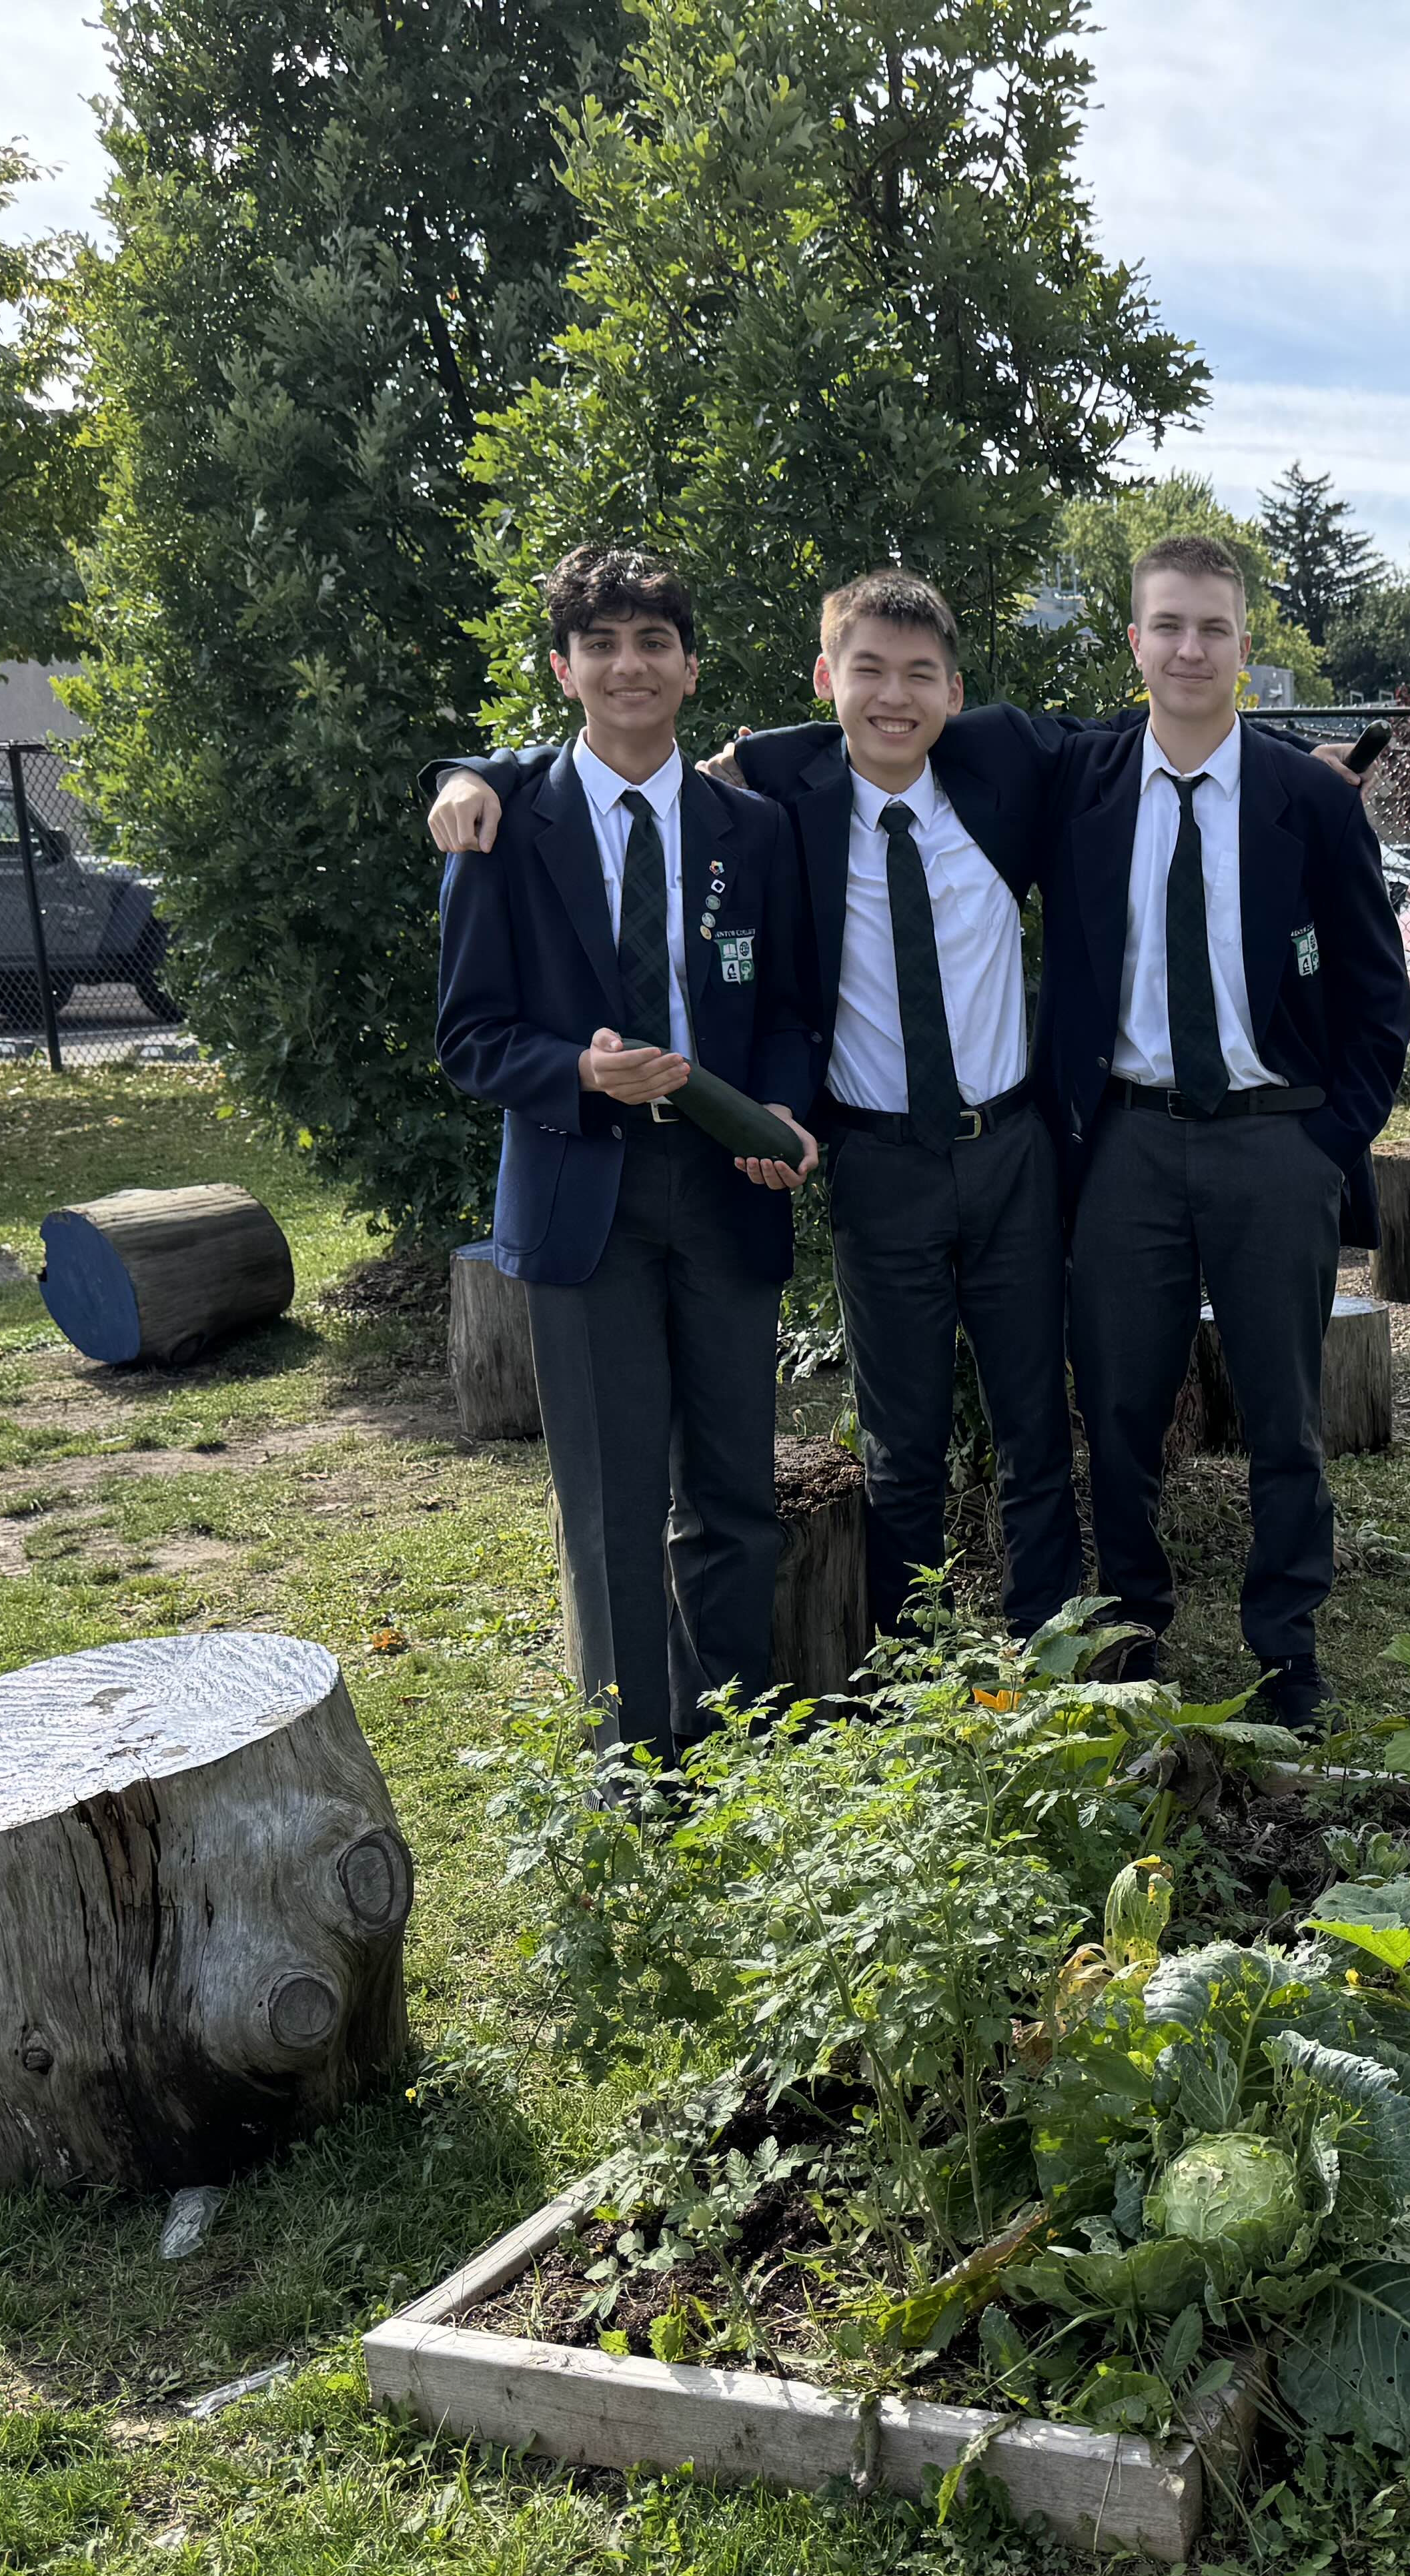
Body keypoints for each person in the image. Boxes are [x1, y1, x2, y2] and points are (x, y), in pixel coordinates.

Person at [431, 573, 1081, 1641]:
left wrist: (778, 1108)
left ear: (955, 692)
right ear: (825, 680)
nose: (892, 695)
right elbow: (476, 1017)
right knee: (887, 1447)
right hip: (838, 1165)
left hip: (975, 1156)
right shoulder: (766, 810)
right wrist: (462, 774)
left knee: (1018, 1434)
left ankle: (1049, 1663)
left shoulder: (930, 793)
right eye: (864, 670)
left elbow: (1149, 728)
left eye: (920, 675)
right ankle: (877, 1685)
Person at [433, 544, 819, 1763]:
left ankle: (733, 1750)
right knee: (608, 1509)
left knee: (735, 1495)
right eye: (600, 644)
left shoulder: (751, 832)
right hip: (580, 1185)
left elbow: (795, 1013)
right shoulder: (501, 828)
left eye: (653, 642)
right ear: (563, 669)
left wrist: (787, 1117)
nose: (628, 665)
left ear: (691, 668)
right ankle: (631, 1773)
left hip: (726, 1185)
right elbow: (472, 1039)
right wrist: (581, 1074)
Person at [1044, 536, 1409, 1731]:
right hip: (1129, 1144)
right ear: (1134, 643)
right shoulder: (1082, 784)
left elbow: (1376, 991)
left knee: (1285, 1413)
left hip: (1274, 1144)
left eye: (1213, 628)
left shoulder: (1309, 798)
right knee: (1119, 1407)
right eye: (1168, 625)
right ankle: (1137, 1627)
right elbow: (887, 739)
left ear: (1247, 649)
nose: (1190, 648)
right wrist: (481, 769)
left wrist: (1329, 1138)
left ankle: (1285, 1644)